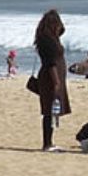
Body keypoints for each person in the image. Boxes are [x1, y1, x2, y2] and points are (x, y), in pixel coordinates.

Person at [33, 8, 72, 152]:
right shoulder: (47, 41)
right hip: (51, 78)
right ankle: (47, 143)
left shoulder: (51, 38)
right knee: (49, 111)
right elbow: (50, 63)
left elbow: (63, 31)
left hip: (53, 77)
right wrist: (56, 82)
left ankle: (49, 142)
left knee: (52, 110)